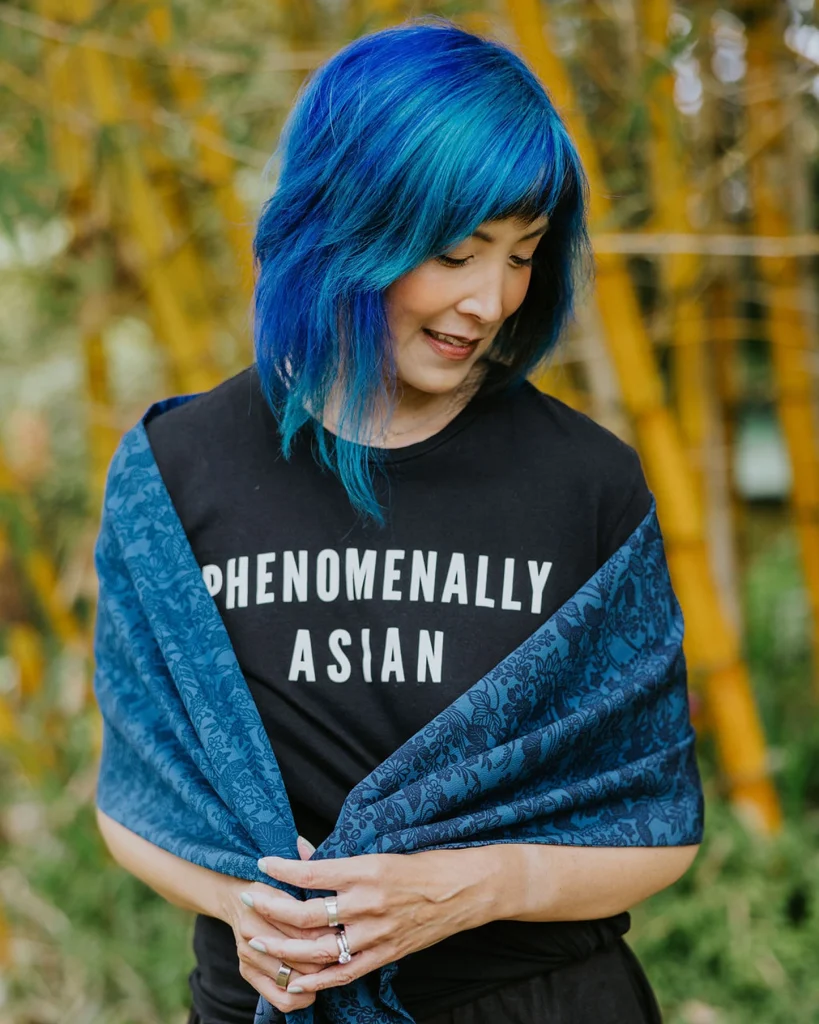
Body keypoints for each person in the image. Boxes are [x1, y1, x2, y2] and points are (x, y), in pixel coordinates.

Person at [94, 17, 702, 1024]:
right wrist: (243, 909)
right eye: (457, 251)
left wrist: (474, 888)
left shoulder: (586, 483)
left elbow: (658, 825)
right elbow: (135, 799)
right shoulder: (174, 475)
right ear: (346, 221)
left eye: (522, 254)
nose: (491, 300)